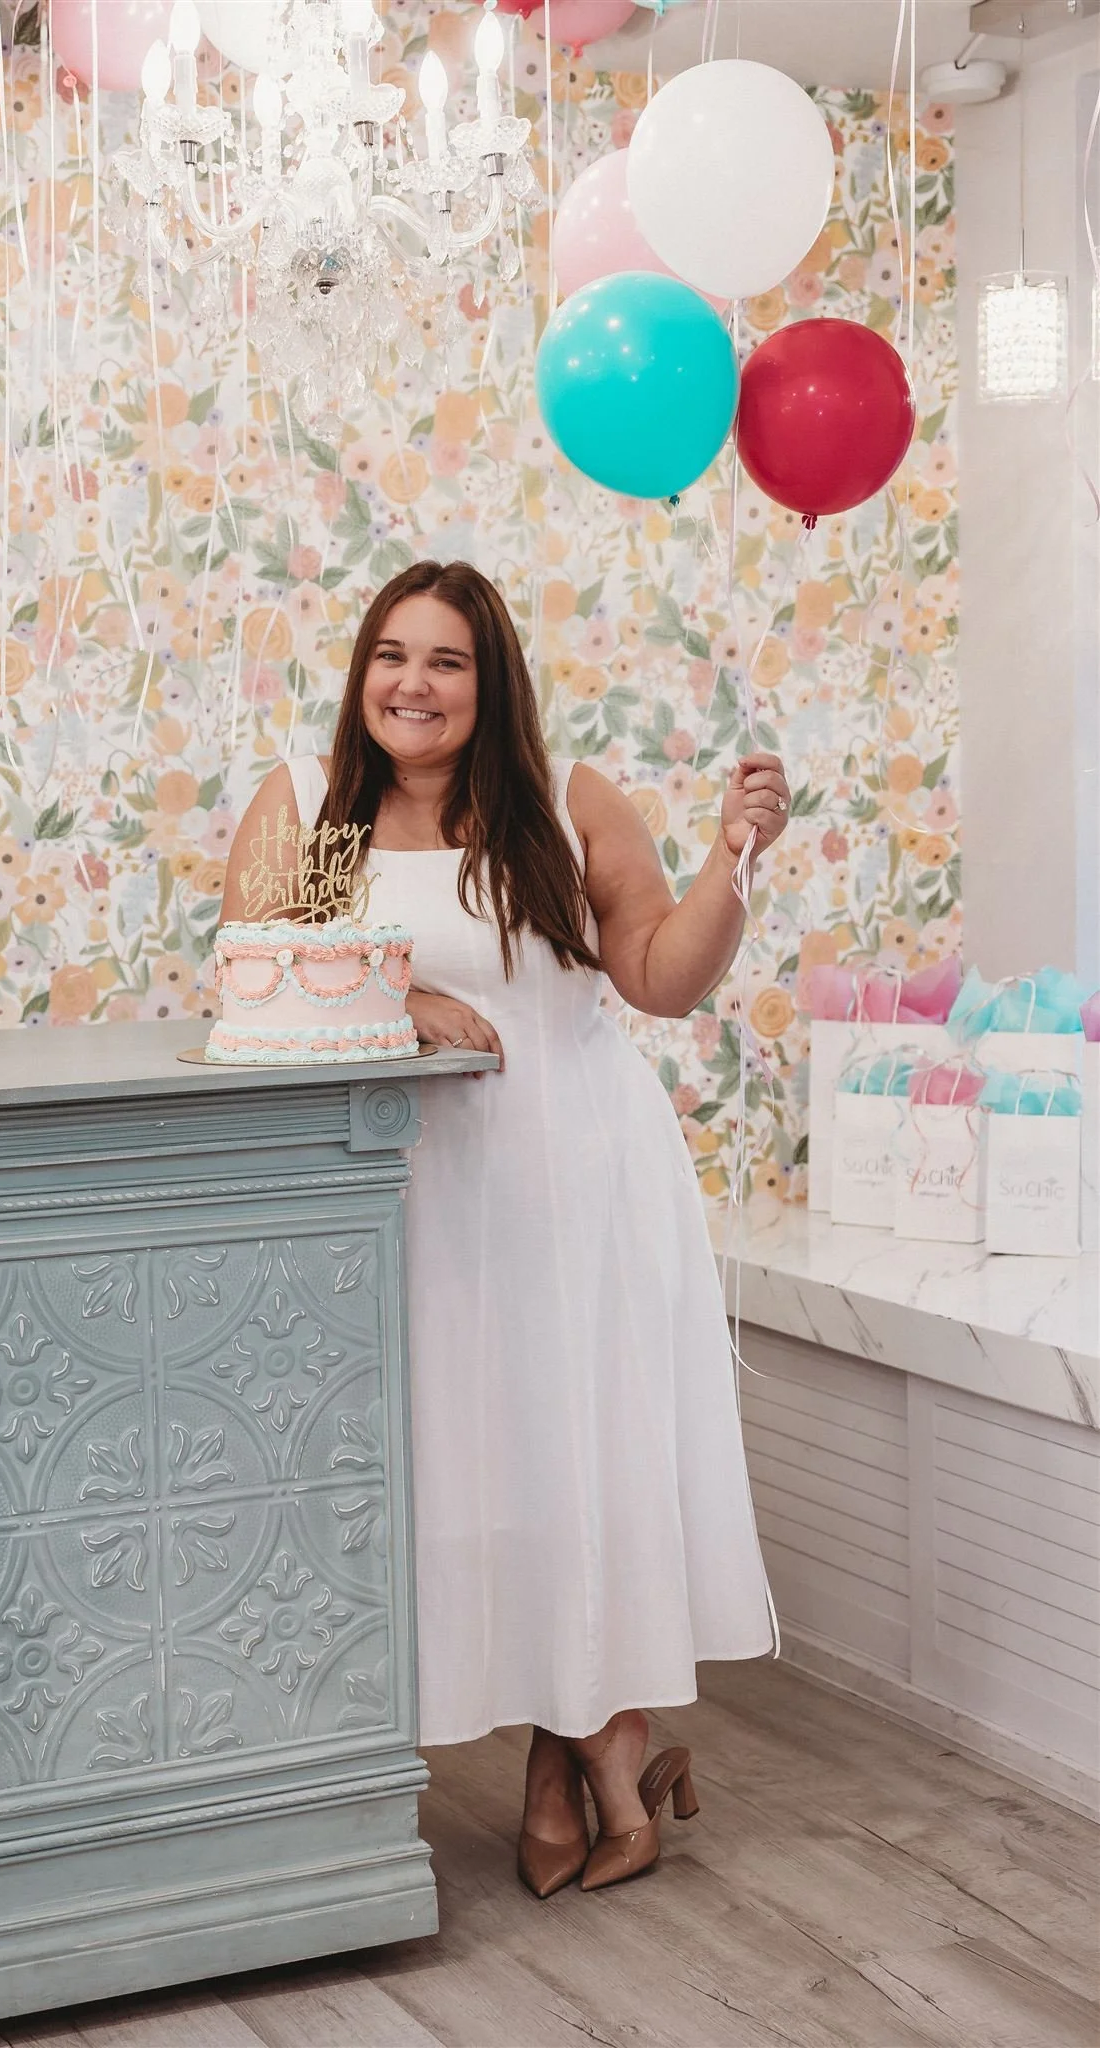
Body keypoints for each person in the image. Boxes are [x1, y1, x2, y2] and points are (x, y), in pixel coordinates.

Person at [219, 560, 789, 1896]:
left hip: (573, 1178)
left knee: (564, 1462)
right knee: (445, 1473)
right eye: (390, 657)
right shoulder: (299, 807)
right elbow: (250, 982)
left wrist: (733, 862)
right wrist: (397, 999)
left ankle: (580, 1746)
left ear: (493, 683)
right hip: (401, 1193)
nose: (412, 685)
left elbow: (657, 975)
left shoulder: (568, 802)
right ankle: (588, 1749)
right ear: (362, 672)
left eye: (447, 663)